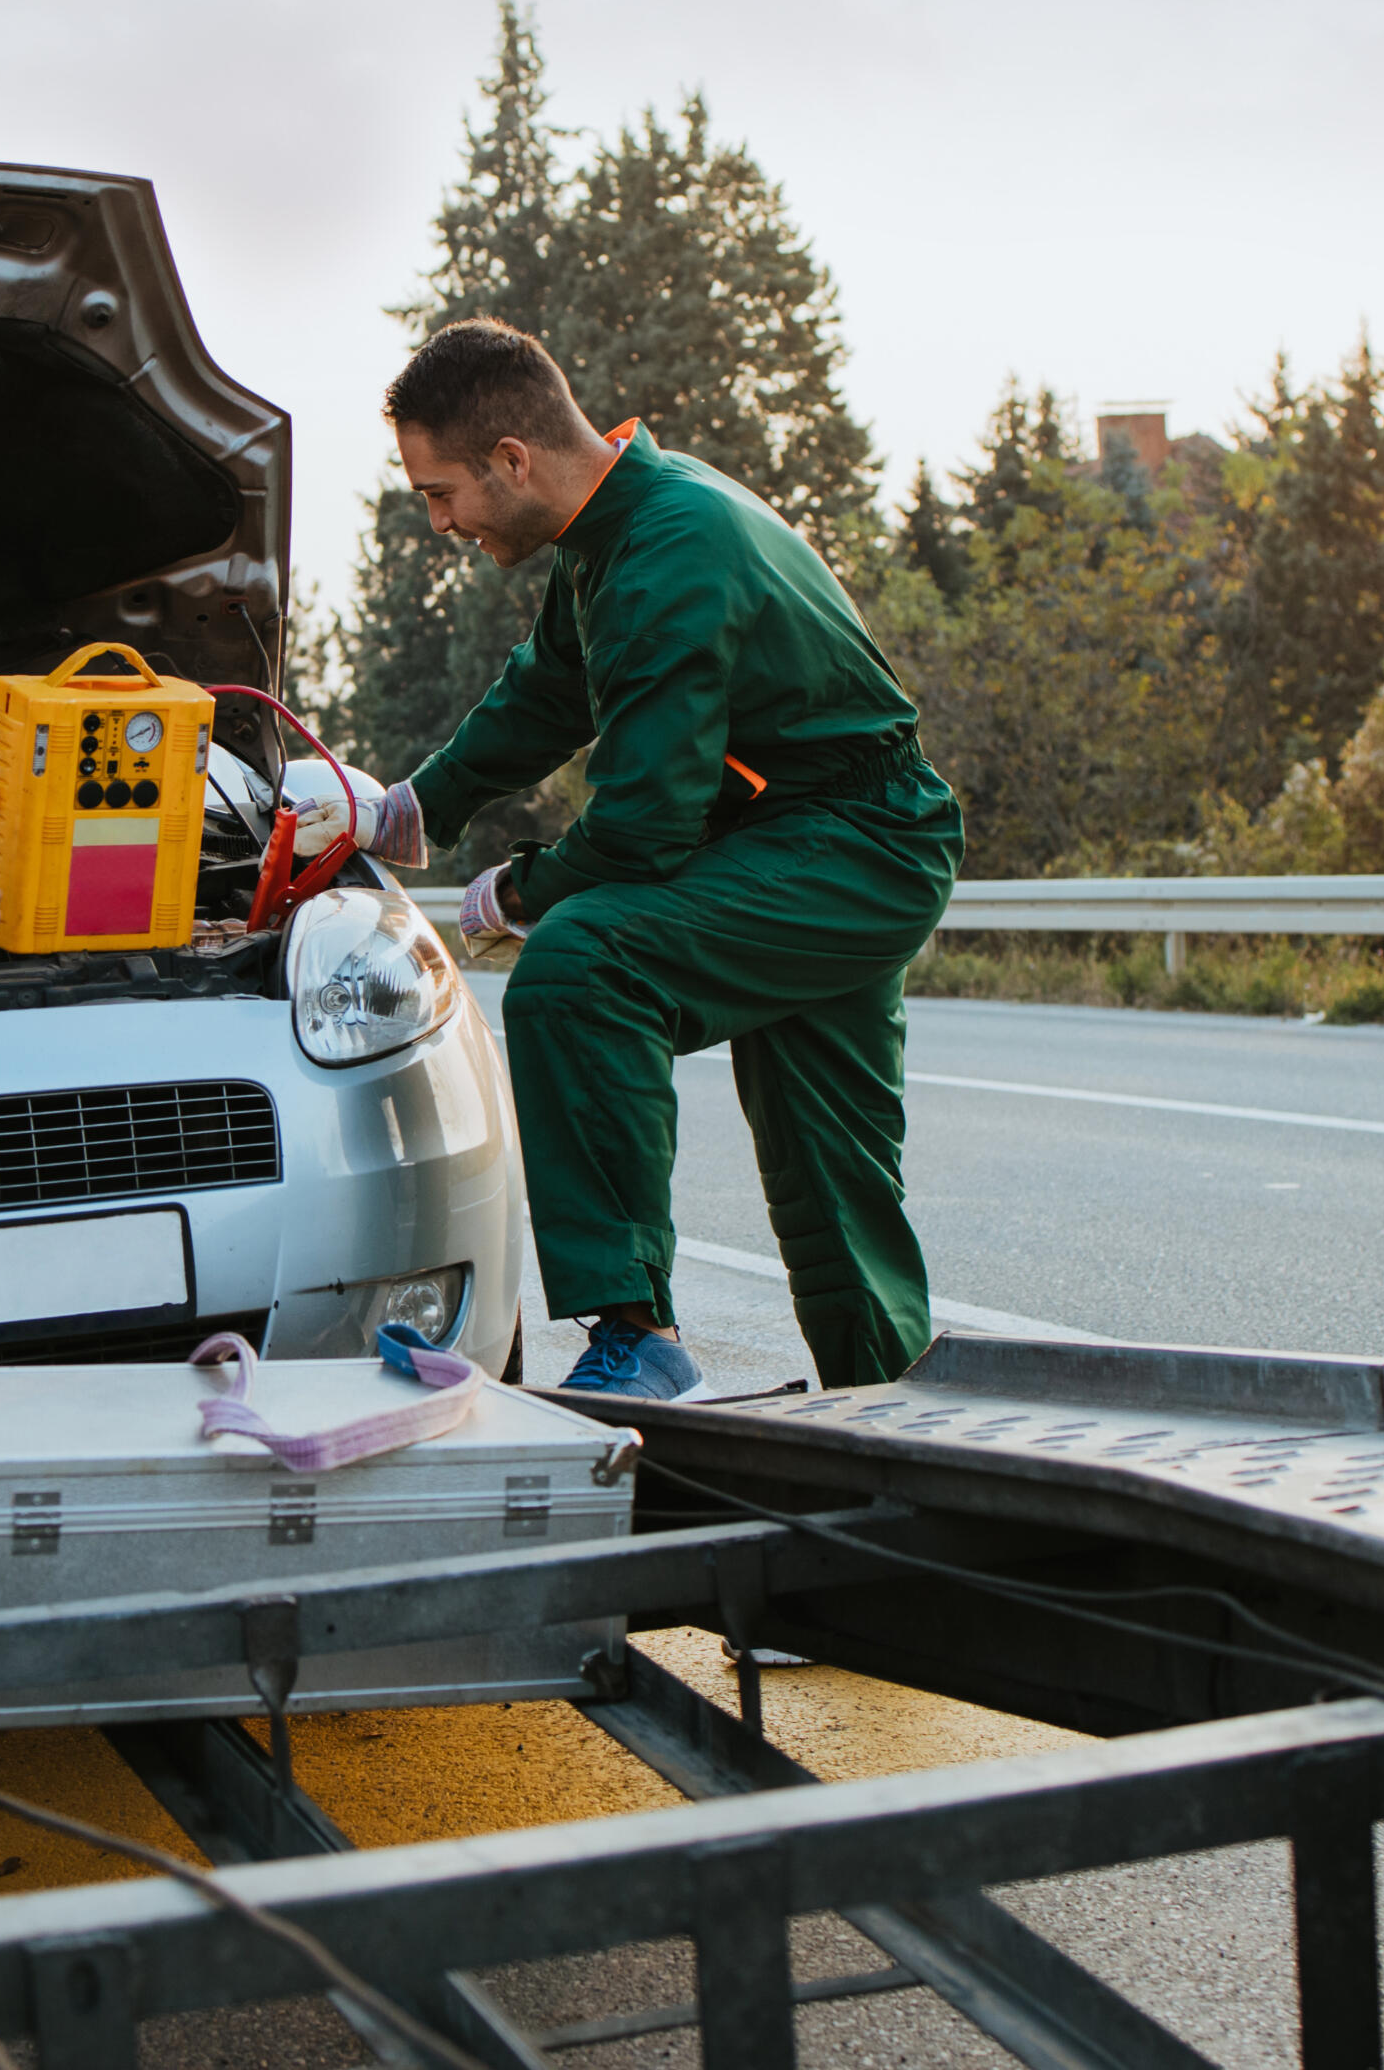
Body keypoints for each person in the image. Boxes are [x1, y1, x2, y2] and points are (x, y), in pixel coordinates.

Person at [302, 319, 962, 1401]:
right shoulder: (613, 529)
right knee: (827, 1170)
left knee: (580, 967)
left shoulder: (667, 549)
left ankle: (635, 1330)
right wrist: (418, 802)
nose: (436, 521)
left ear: (511, 460)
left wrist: (515, 892)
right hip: (807, 839)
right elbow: (544, 694)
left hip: (852, 843)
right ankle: (883, 1413)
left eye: (440, 492)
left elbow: (648, 820)